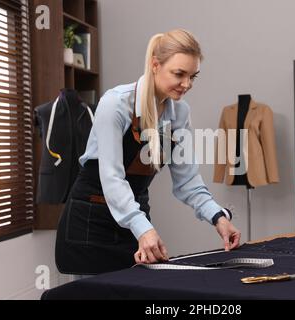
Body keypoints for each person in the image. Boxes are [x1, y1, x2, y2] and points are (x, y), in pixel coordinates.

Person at [55, 29, 241, 275]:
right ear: (155, 65)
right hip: (91, 221)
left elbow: (188, 182)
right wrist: (143, 228)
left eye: (193, 76)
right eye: (179, 74)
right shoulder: (116, 103)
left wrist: (219, 217)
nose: (187, 84)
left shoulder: (180, 113)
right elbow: (111, 177)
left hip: (134, 220)